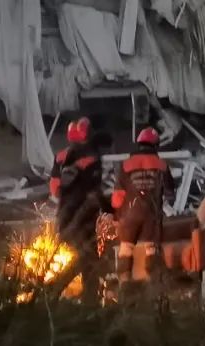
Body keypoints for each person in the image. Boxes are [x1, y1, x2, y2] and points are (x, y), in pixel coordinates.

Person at [49, 118, 109, 300]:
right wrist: (110, 209)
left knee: (88, 260)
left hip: (64, 217)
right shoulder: (92, 159)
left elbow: (55, 189)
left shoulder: (60, 157)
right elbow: (94, 193)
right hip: (83, 219)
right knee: (87, 259)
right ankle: (54, 290)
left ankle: (89, 298)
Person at [112, 127, 175, 284]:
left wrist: (117, 216)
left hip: (130, 214)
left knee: (126, 248)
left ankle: (124, 285)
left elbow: (118, 195)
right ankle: (153, 286)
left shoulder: (126, 164)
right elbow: (170, 192)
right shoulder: (161, 164)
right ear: (155, 145)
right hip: (151, 214)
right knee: (151, 249)